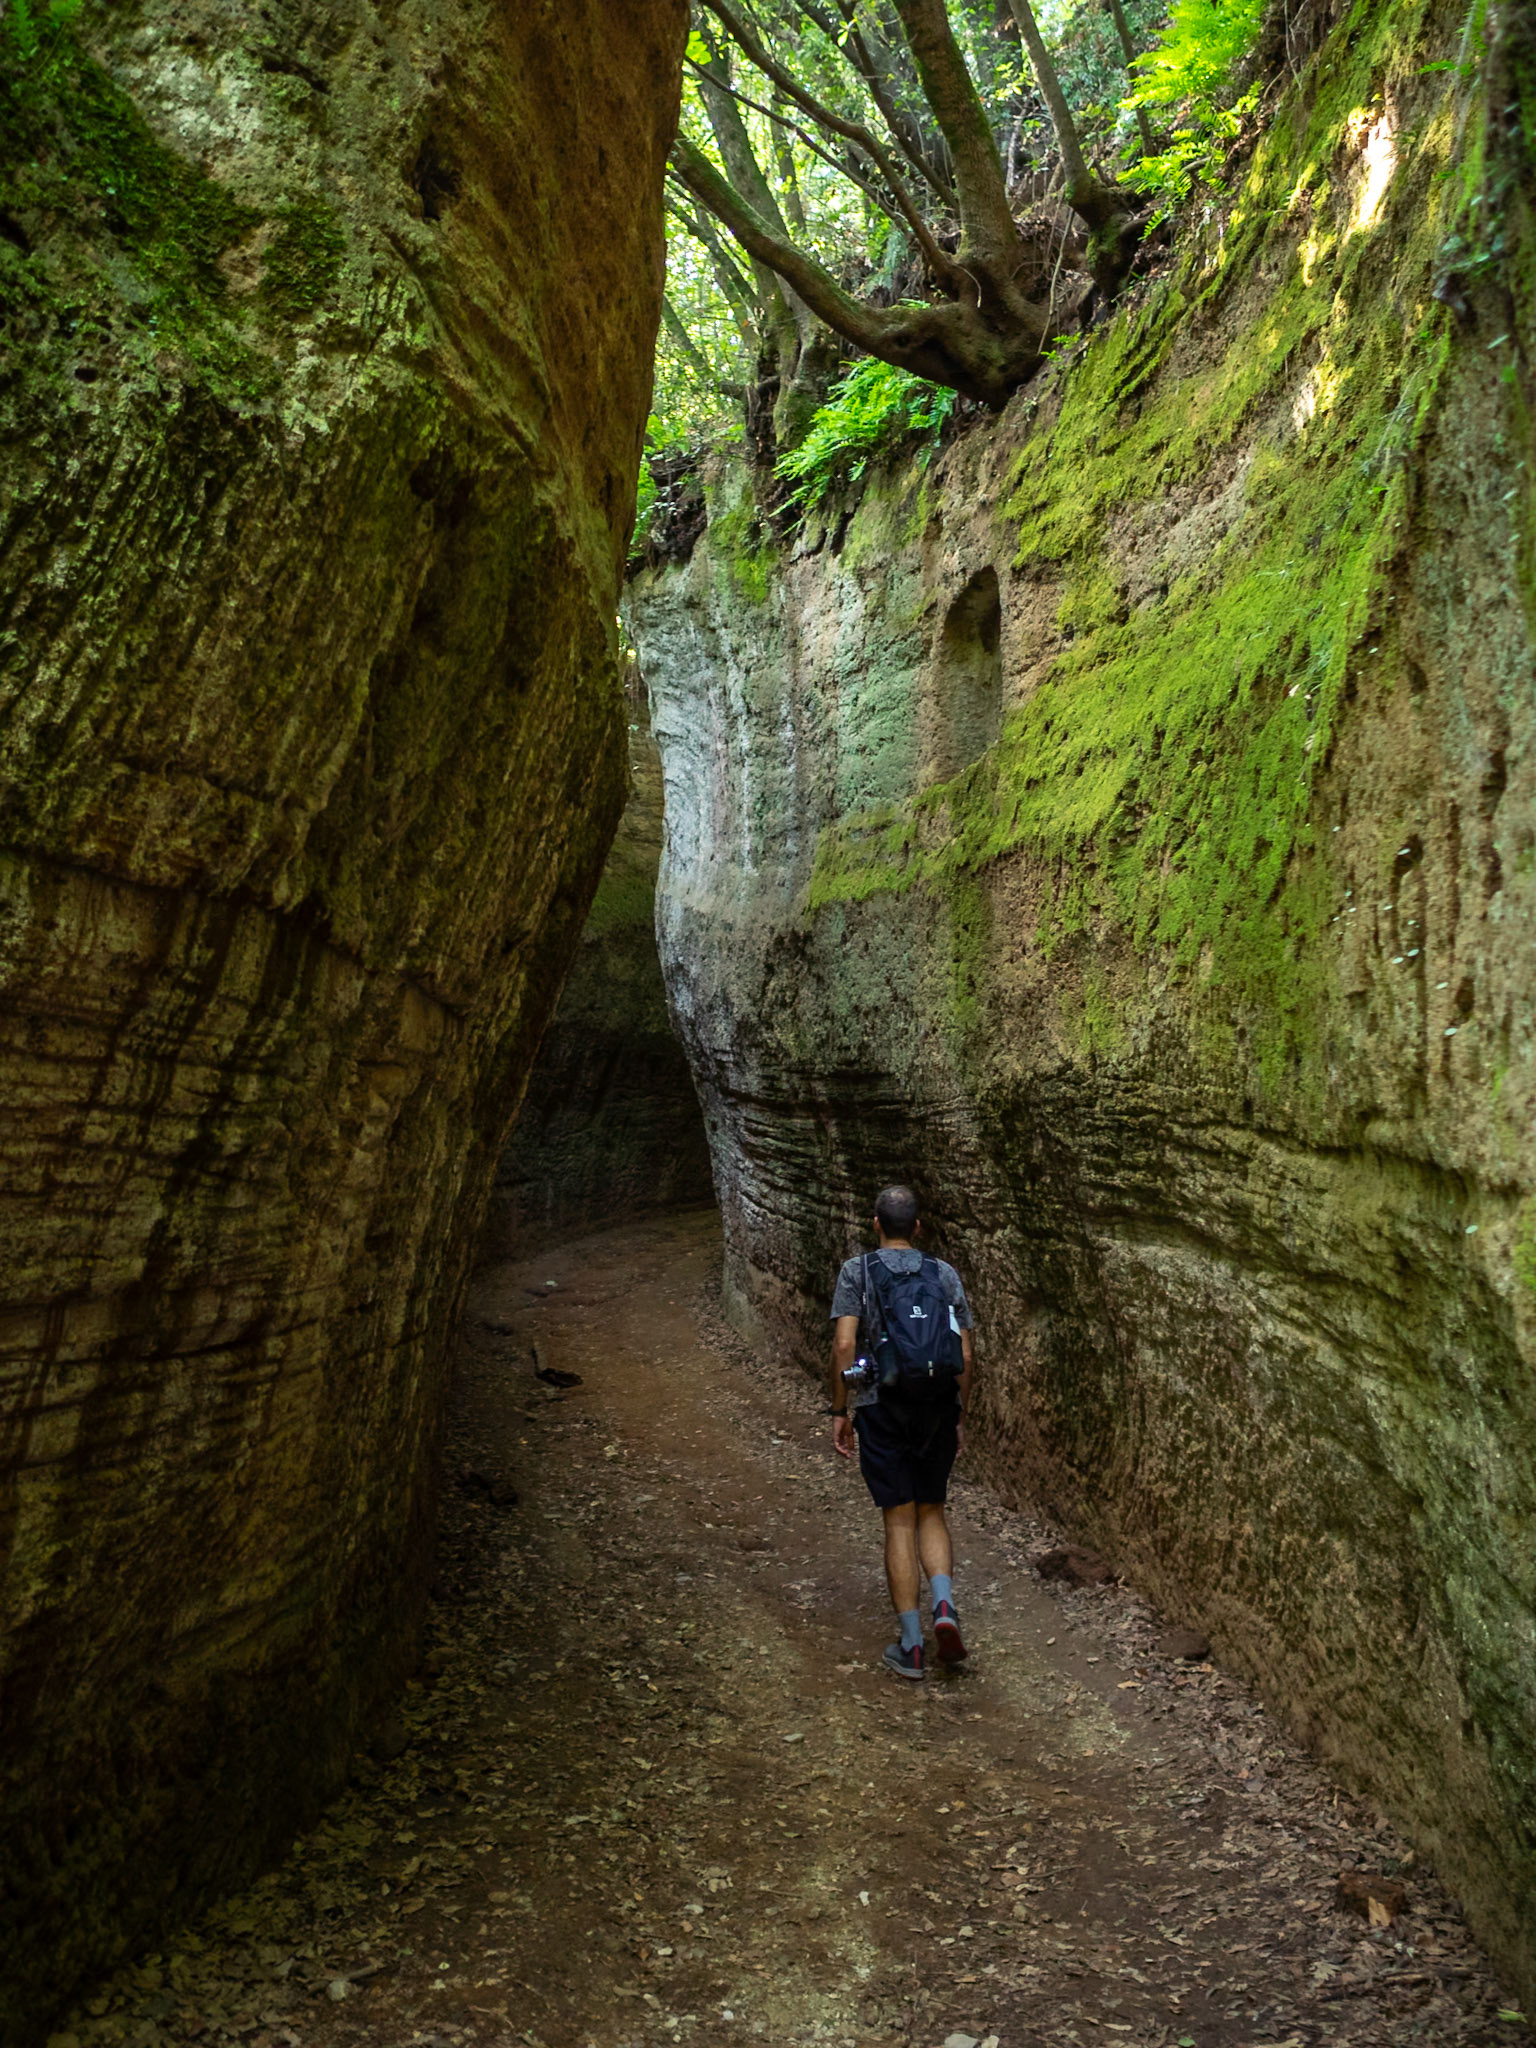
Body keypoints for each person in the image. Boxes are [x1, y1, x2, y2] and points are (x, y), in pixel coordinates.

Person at [828, 1184, 975, 1680]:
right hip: (935, 1405)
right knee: (933, 1508)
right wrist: (958, 1412)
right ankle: (945, 1608)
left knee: (899, 1520)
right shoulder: (943, 1273)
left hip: (881, 1406)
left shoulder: (857, 1271)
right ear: (916, 1226)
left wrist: (841, 1407)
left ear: (875, 1224)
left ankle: (912, 1646)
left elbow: (845, 1345)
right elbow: (966, 1355)